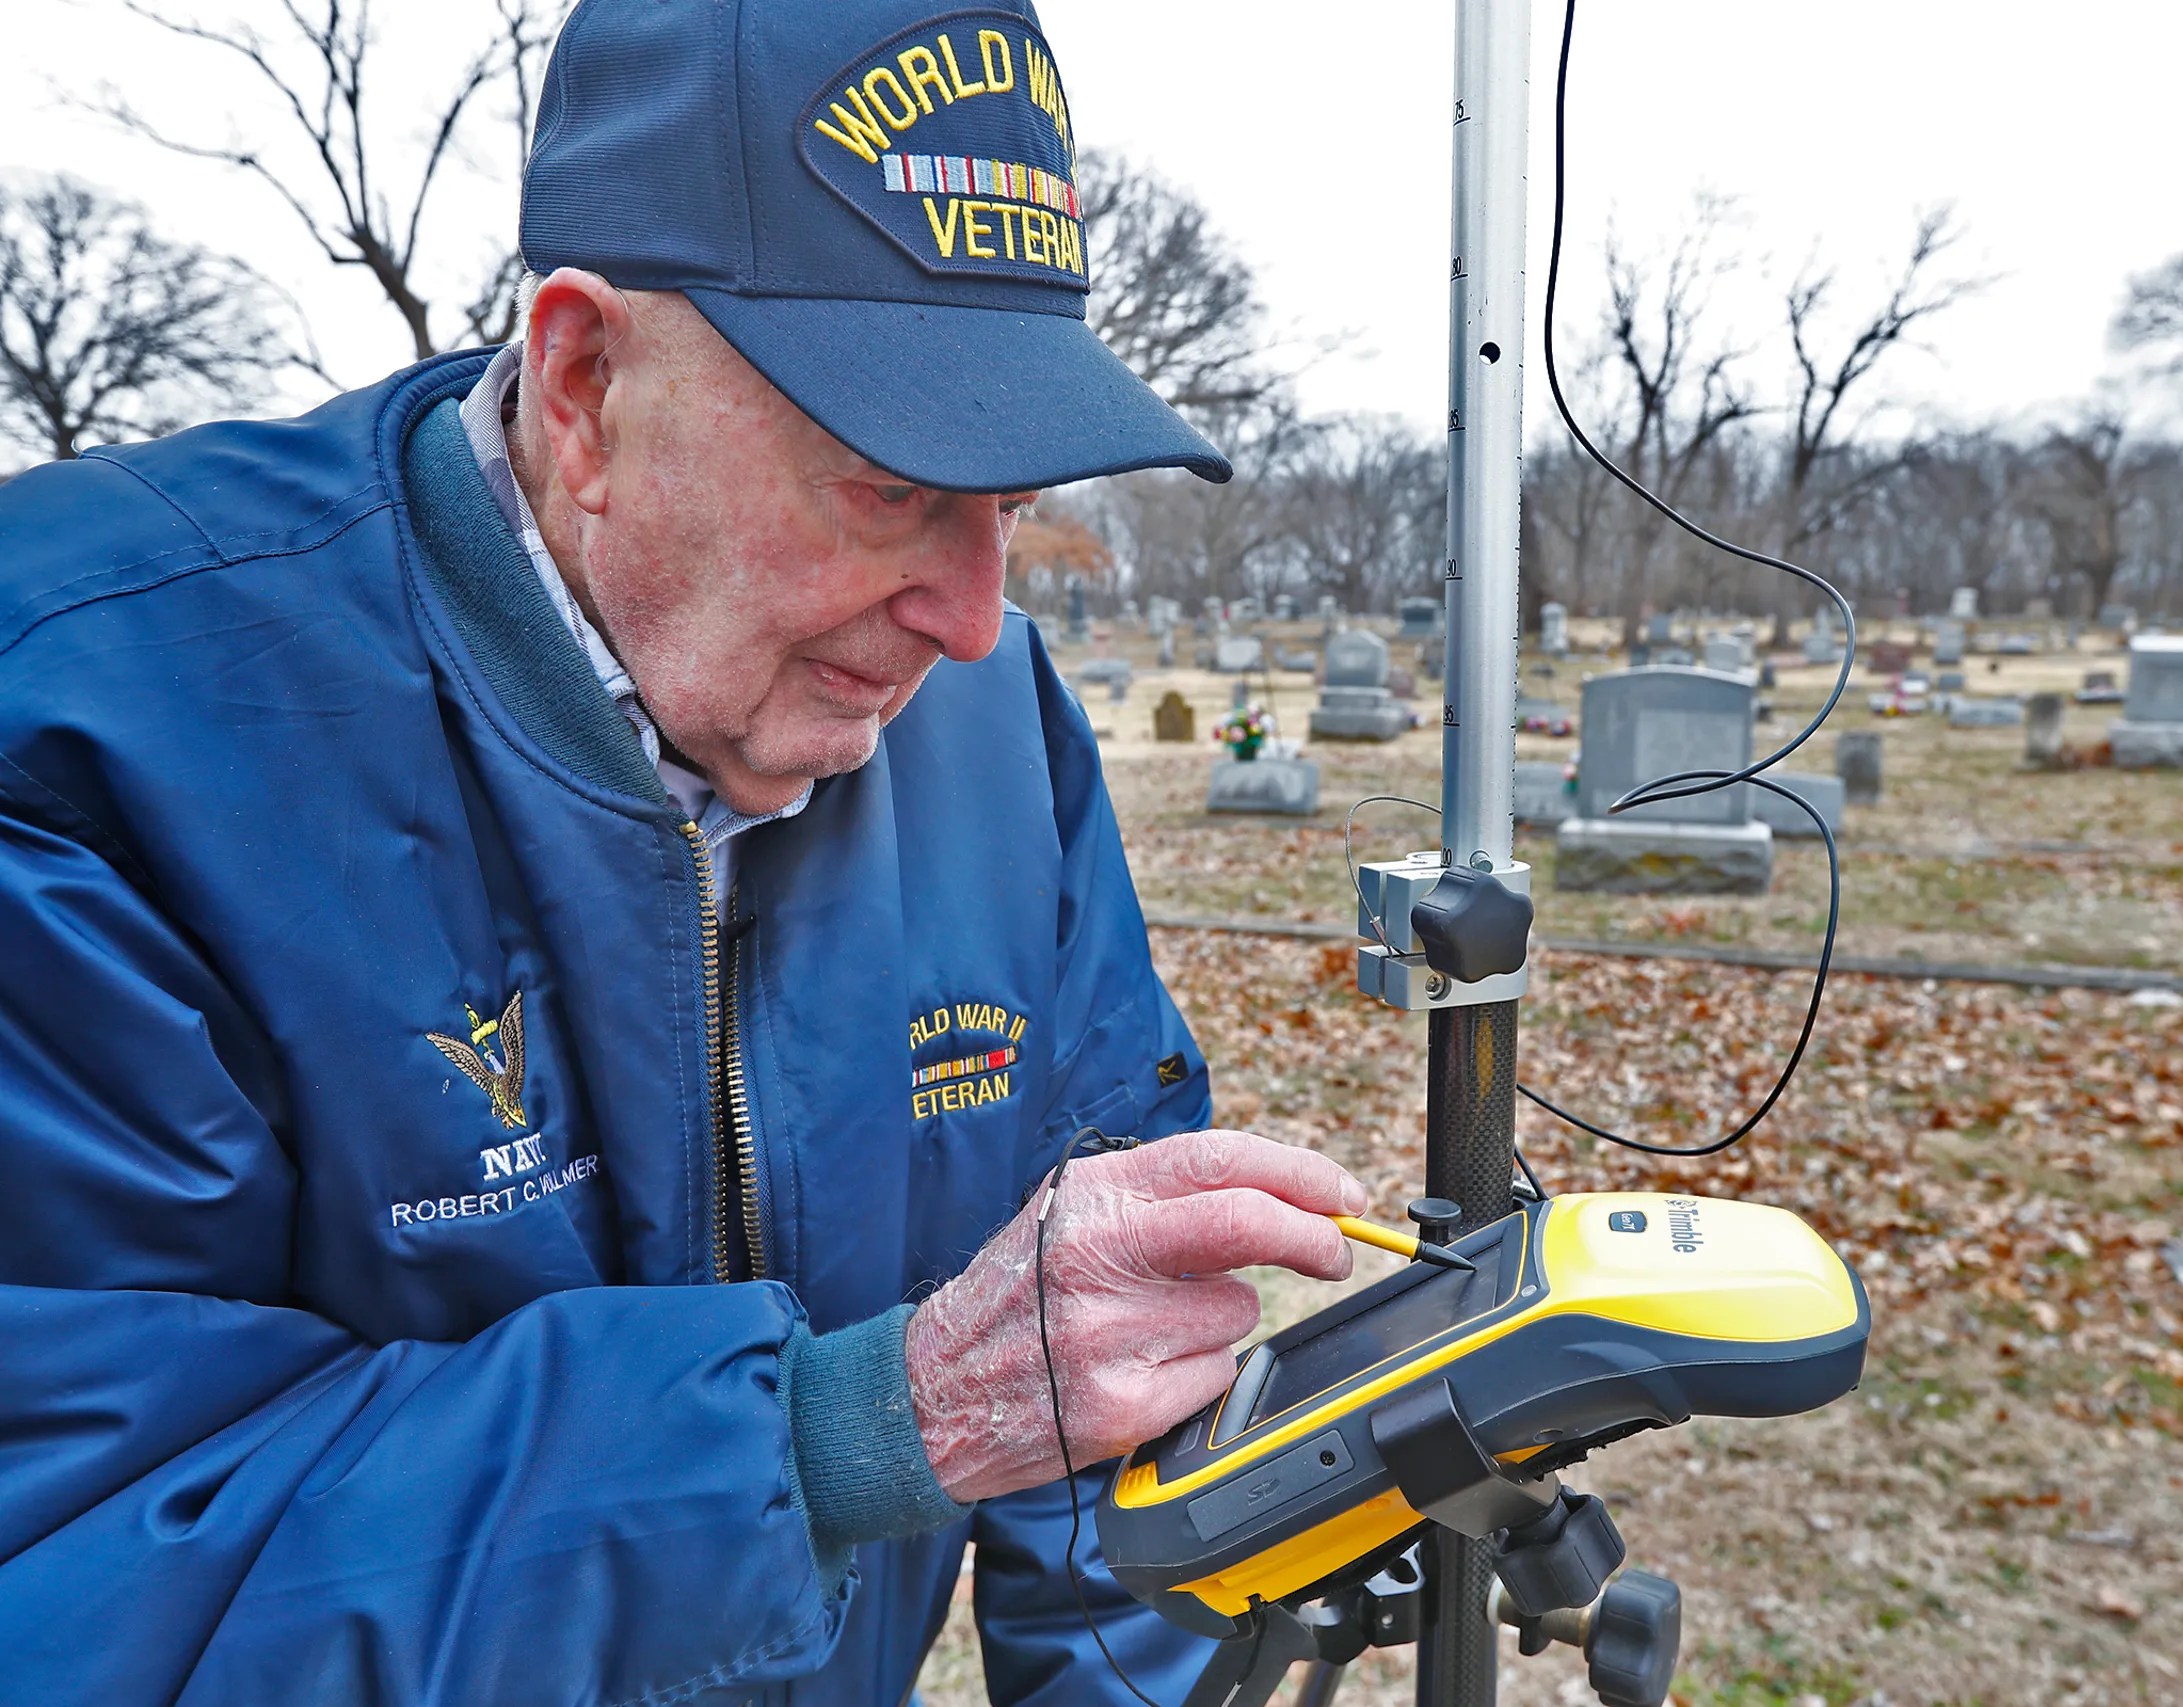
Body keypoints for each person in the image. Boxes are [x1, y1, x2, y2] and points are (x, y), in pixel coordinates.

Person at [0, 0, 1365, 1700]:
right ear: (582, 385)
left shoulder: (993, 721)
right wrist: (849, 1433)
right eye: (892, 483)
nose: (971, 616)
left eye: (1008, 502)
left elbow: (1115, 1370)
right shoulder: (84, 730)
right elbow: (73, 1561)